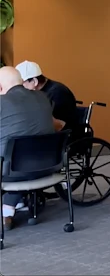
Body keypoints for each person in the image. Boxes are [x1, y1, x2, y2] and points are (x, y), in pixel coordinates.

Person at [0, 67, 59, 230]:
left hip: (12, 172)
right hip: (47, 167)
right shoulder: (42, 97)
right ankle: (10, 204)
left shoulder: (2, 102)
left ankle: (10, 205)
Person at [15, 61, 77, 131]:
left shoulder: (58, 93)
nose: (19, 88)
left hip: (65, 136)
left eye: (21, 84)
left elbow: (54, 124)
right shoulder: (38, 93)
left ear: (34, 81)